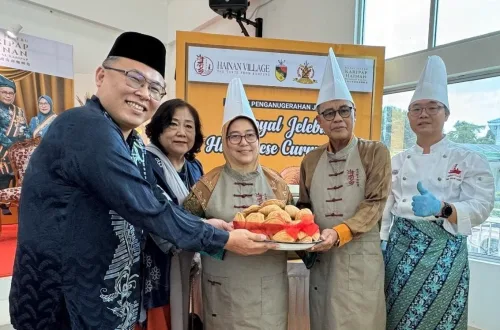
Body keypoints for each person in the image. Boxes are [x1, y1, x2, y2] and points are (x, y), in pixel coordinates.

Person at [9, 32, 275, 330]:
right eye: (134, 78)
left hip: (109, 300)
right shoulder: (84, 127)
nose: (144, 93)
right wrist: (223, 240)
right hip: (64, 303)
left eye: (155, 87)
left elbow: (155, 200)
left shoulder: (132, 143)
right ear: (100, 75)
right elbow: (146, 207)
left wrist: (204, 226)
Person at [381, 56, 495, 330]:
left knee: (445, 319)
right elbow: (386, 210)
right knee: (398, 317)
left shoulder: (469, 159)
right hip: (401, 252)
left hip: (446, 252)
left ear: (447, 114)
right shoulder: (396, 162)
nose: (424, 114)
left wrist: (443, 208)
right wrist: (381, 243)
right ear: (408, 116)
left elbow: (482, 205)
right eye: (416, 109)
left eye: (433, 107)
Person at [183, 77, 293, 330]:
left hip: (269, 291)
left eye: (249, 135)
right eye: (234, 136)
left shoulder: (278, 185)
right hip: (223, 288)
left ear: (258, 139)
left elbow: (292, 232)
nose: (243, 142)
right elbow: (185, 227)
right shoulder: (206, 185)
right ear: (224, 141)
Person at [296, 48, 390, 330]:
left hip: (360, 261)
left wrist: (338, 233)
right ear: (319, 120)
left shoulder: (374, 152)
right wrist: (303, 237)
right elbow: (305, 207)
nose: (338, 118)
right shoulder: (310, 160)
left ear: (354, 113)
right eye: (329, 113)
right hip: (324, 263)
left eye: (343, 110)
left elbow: (374, 204)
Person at [138, 98, 206, 330]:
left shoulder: (195, 167)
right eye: (173, 124)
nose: (181, 132)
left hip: (190, 259)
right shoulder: (145, 162)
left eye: (189, 126)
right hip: (155, 261)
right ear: (158, 128)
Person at [0, 74, 31, 189]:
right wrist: (12, 146)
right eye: (4, 92)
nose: (8, 96)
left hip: (18, 154)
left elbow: (26, 129)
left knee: (19, 184)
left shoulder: (19, 110)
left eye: (11, 93)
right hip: (2, 153)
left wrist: (26, 142)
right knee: (2, 183)